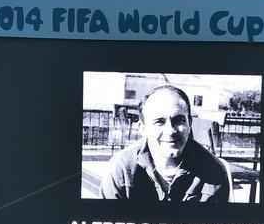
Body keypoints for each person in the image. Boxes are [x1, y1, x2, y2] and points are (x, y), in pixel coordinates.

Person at [99, 85, 231, 203]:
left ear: (190, 123)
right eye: (159, 122)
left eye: (179, 120)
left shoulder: (214, 171)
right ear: (142, 127)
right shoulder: (121, 169)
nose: (170, 131)